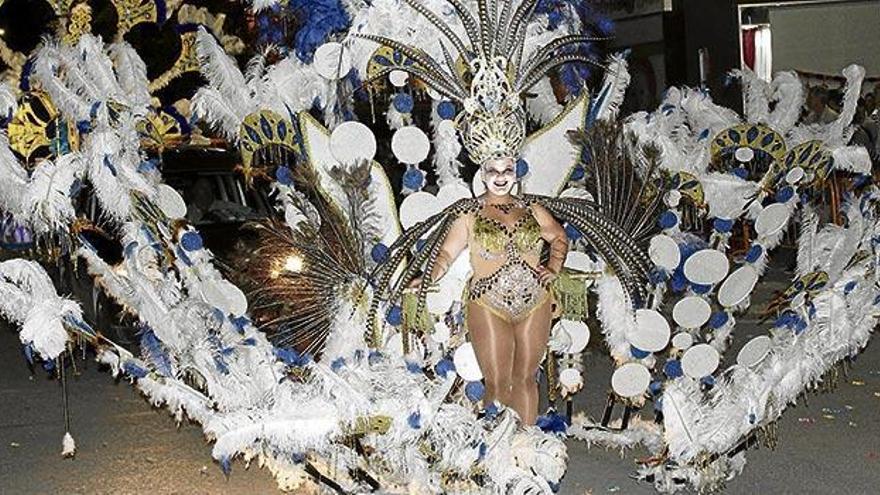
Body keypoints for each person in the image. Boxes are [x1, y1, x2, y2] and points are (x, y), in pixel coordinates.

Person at [361, 0, 657, 425]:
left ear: (514, 172)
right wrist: (423, 278)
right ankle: (499, 455)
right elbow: (445, 256)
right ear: (483, 172)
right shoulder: (467, 213)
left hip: (535, 300)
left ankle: (528, 445)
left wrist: (553, 270)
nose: (500, 176)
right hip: (486, 302)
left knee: (527, 377)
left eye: (506, 169)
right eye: (492, 169)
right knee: (497, 381)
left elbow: (558, 238)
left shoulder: (534, 208)